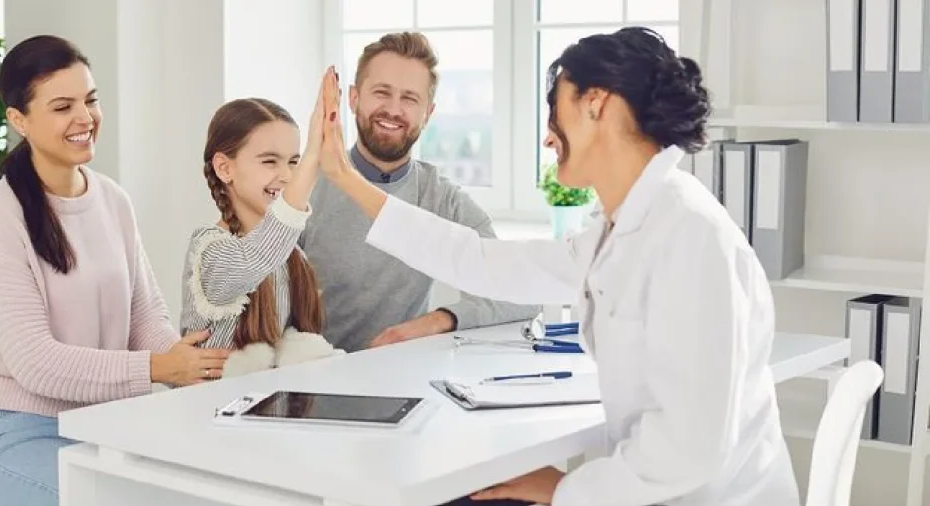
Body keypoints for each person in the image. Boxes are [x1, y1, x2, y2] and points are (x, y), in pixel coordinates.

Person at [316, 27, 800, 506]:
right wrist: (343, 176)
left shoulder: (689, 236)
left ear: (597, 105)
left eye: (556, 111)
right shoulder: (618, 230)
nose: (549, 138)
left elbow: (689, 449)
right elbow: (481, 261)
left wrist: (566, 489)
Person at [0, 35, 230, 506]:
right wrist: (157, 368)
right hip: (19, 434)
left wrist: (187, 361)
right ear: (19, 120)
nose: (85, 118)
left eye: (91, 100)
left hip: (111, 424)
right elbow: (35, 364)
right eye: (63, 106)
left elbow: (144, 314)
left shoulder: (111, 199)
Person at [298, 31, 540, 353]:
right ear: (354, 98)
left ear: (428, 113)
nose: (394, 110)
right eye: (381, 92)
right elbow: (248, 284)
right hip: (310, 383)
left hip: (402, 380)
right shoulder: (305, 187)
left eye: (410, 99)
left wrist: (437, 320)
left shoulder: (441, 198)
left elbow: (522, 292)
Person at [178, 69, 345, 376]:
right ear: (225, 169)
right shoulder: (210, 251)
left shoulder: (291, 256)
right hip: (207, 415)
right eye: (270, 161)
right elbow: (255, 259)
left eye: (293, 161)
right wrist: (312, 155)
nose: (286, 175)